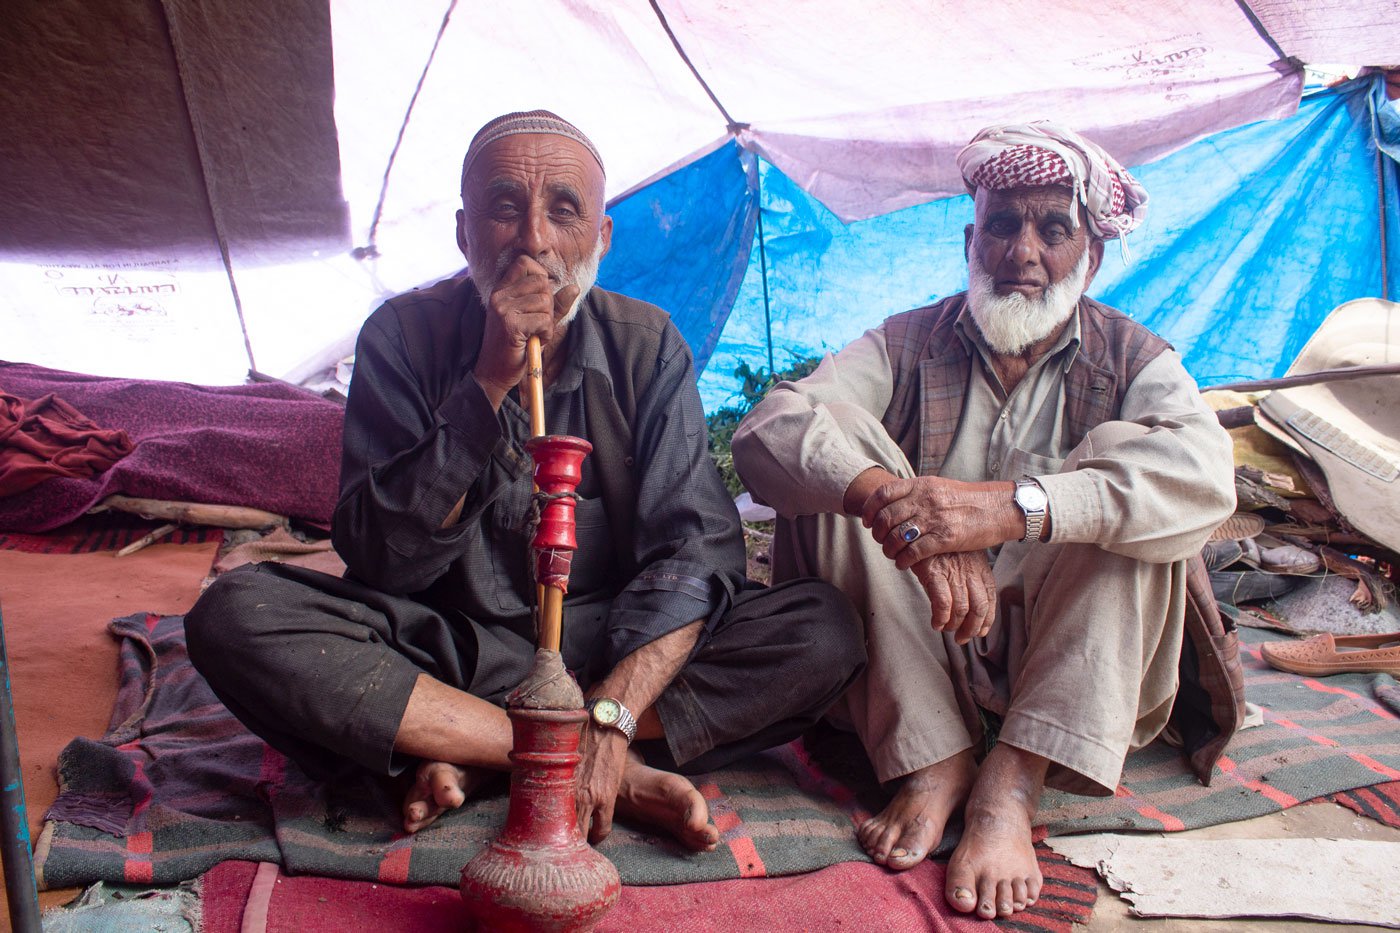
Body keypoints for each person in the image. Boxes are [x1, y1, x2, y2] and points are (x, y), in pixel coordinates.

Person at [185, 110, 863, 852]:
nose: (534, 239)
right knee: (236, 612)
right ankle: (579, 761)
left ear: (601, 237)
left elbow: (695, 556)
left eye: (563, 210)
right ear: (463, 233)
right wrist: (487, 383)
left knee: (824, 630)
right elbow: (379, 559)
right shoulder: (401, 339)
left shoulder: (647, 346)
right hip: (446, 651)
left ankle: (480, 749)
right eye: (505, 208)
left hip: (611, 653)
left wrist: (614, 707)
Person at [731, 121, 1241, 920]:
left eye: (1053, 229)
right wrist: (891, 507)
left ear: (1091, 256)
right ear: (973, 239)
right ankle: (934, 759)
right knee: (835, 449)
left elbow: (1208, 475)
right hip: (916, 642)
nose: (1023, 250)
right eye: (1002, 224)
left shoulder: (1134, 356)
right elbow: (766, 428)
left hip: (1067, 651)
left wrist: (1007, 509)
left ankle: (1013, 779)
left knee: (1129, 465)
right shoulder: (908, 341)